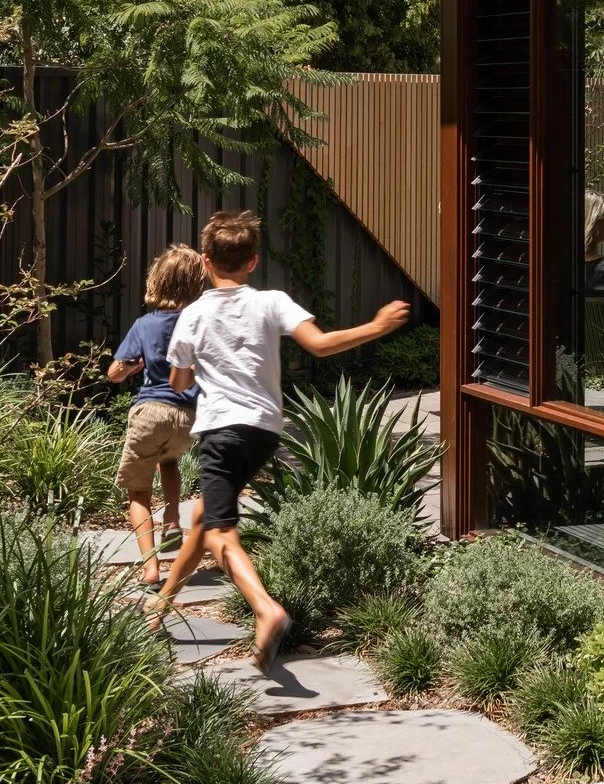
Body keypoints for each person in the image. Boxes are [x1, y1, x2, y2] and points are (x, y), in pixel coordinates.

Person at [148, 209, 412, 670]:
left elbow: (176, 381)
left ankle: (266, 609)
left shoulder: (194, 314)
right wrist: (377, 326)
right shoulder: (273, 301)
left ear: (204, 262)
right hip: (265, 431)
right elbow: (321, 344)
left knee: (218, 531)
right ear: (252, 262)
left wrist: (190, 370)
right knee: (204, 516)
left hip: (220, 430)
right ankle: (162, 606)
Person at [106, 245, 207, 587]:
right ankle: (174, 520)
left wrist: (133, 366)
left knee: (137, 494)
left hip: (150, 411)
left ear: (158, 281)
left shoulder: (145, 324)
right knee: (170, 461)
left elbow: (115, 373)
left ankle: (151, 568)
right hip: (187, 417)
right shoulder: (198, 320)